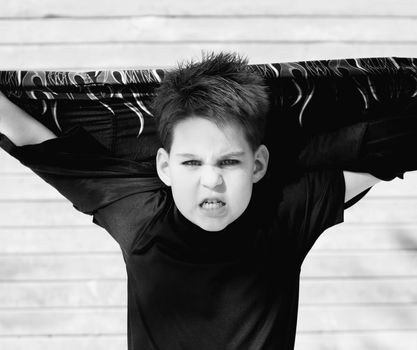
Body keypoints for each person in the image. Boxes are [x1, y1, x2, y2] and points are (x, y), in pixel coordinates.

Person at [0, 52, 402, 350]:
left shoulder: (287, 210)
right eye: (191, 162)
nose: (212, 181)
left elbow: (384, 150)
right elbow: (34, 141)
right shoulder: (140, 216)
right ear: (165, 166)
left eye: (228, 161)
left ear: (259, 164)